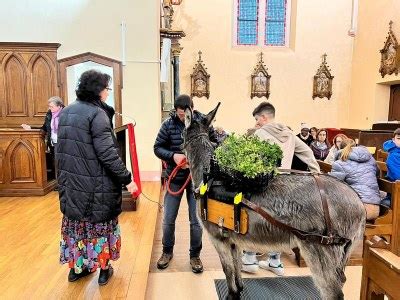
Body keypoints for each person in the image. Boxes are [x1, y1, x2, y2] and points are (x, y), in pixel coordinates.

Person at [56, 70, 138, 285]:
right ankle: (103, 270)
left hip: (72, 185)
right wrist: (127, 180)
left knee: (77, 228)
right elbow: (108, 154)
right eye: (107, 89)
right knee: (99, 228)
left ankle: (76, 269)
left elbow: (61, 151)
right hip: (95, 186)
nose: (108, 93)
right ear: (99, 91)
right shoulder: (96, 114)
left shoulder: (66, 112)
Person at [243, 102, 320, 276]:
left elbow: (247, 157)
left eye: (257, 119)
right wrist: (317, 173)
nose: (257, 122)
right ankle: (275, 262)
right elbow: (307, 152)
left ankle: (249, 258)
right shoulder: (289, 133)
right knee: (279, 222)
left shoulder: (260, 133)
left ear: (263, 117)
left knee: (254, 218)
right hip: (284, 186)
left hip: (264, 185)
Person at [153, 94, 217, 273]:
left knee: (196, 220)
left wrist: (198, 155)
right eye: (179, 114)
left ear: (192, 109)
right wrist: (174, 156)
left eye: (184, 114)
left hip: (196, 181)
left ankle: (195, 255)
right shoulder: (168, 125)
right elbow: (157, 147)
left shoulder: (203, 122)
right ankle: (167, 252)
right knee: (168, 219)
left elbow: (215, 144)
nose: (182, 117)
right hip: (175, 179)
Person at [329, 139, 381, 220]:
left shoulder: (339, 164)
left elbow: (332, 186)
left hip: (357, 210)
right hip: (375, 208)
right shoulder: (371, 159)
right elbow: (377, 174)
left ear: (340, 149)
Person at [21, 96, 65, 178]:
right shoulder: (49, 115)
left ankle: (65, 183)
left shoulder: (66, 114)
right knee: (56, 163)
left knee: (64, 163)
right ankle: (59, 183)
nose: (50, 108)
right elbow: (44, 128)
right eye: (49, 106)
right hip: (53, 143)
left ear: (59, 106)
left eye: (52, 106)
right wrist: (30, 128)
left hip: (64, 143)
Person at [381, 128, 400, 207]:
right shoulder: (393, 156)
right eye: (399, 139)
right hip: (396, 193)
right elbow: (397, 176)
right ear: (393, 140)